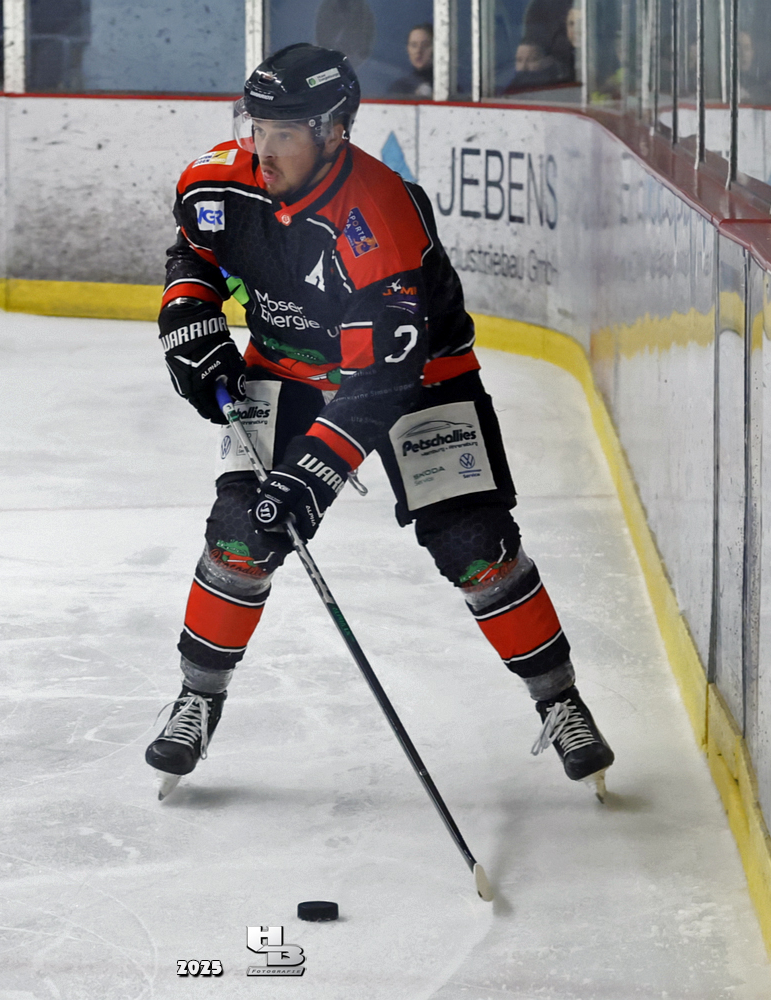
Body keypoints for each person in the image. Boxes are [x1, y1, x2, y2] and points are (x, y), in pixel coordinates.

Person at [144, 43, 616, 798]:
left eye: (283, 133)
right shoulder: (217, 178)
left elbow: (379, 383)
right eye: (255, 126)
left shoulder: (382, 214)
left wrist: (310, 477)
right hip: (285, 366)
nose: (262, 148)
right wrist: (188, 321)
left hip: (421, 377)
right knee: (240, 533)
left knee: (475, 542)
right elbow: (197, 254)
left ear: (333, 131)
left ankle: (560, 701)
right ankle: (197, 698)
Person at [389, 23, 433, 97]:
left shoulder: (448, 86)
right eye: (414, 45)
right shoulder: (398, 88)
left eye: (425, 45)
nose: (418, 51)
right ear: (407, 49)